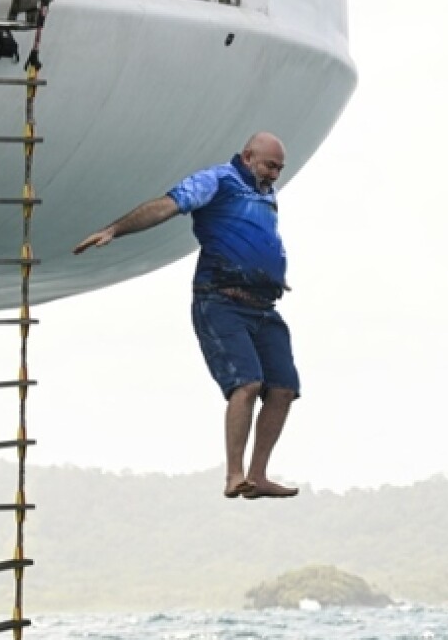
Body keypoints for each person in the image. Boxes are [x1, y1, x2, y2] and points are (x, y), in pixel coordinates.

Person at [73, 132, 301, 500]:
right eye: (269, 165)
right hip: (221, 300)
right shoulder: (217, 180)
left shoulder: (264, 192)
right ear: (247, 156)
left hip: (264, 304)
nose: (275, 174)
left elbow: (254, 236)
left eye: (279, 168)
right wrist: (115, 229)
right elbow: (167, 205)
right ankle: (234, 474)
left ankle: (258, 476)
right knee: (247, 384)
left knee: (284, 388)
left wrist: (270, 272)